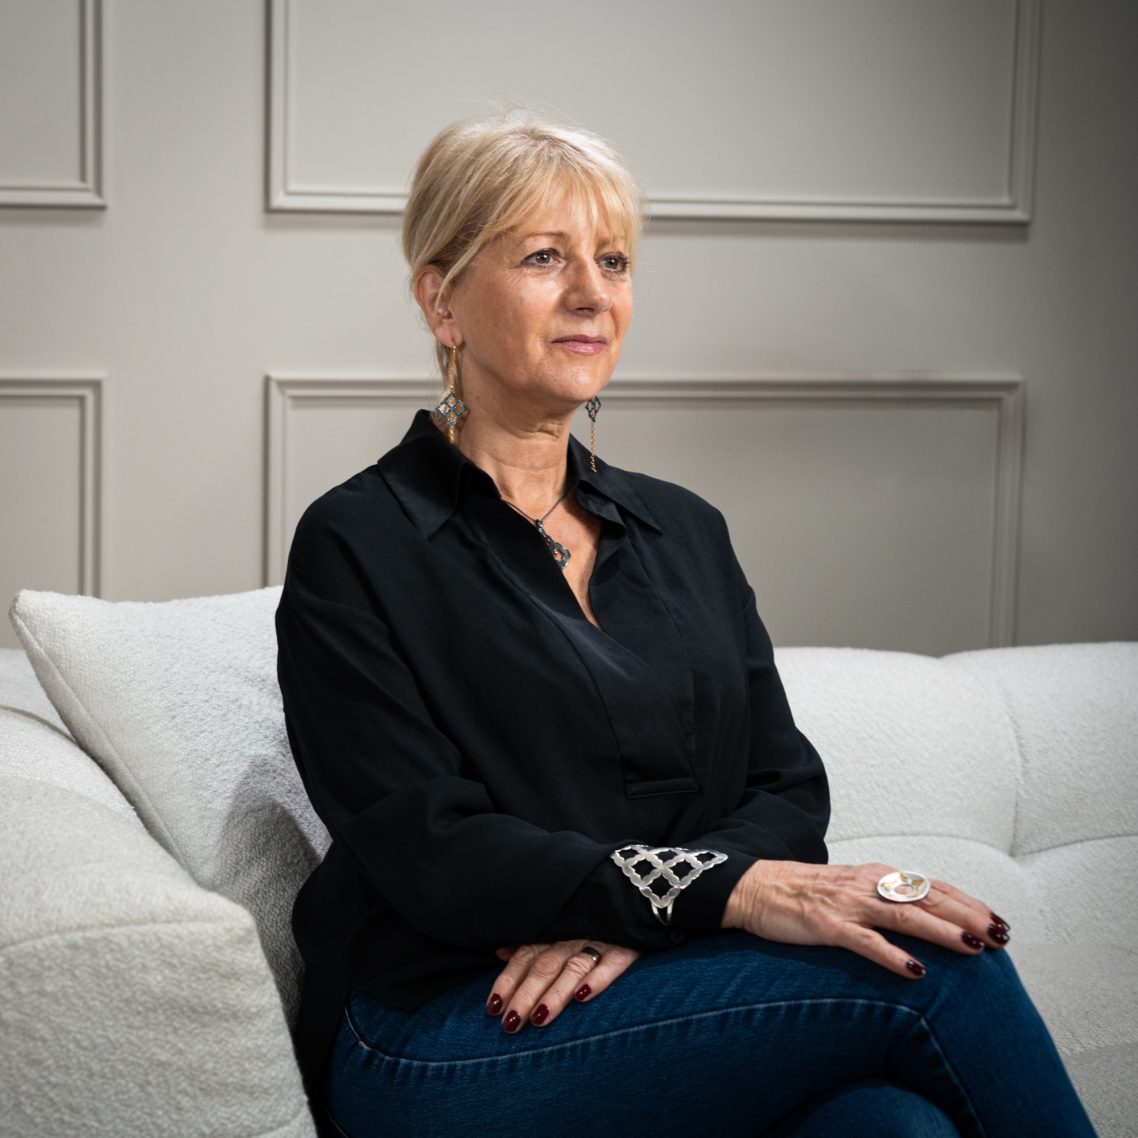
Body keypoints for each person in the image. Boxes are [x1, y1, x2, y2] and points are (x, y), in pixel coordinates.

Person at [275, 115, 1096, 1138]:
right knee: (935, 973)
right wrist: (705, 894)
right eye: (543, 257)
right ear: (440, 300)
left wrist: (659, 910)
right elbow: (430, 847)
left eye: (611, 260)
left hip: (662, 984)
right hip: (442, 1034)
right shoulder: (357, 541)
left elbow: (785, 787)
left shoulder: (684, 530)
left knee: (888, 1126)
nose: (591, 293)